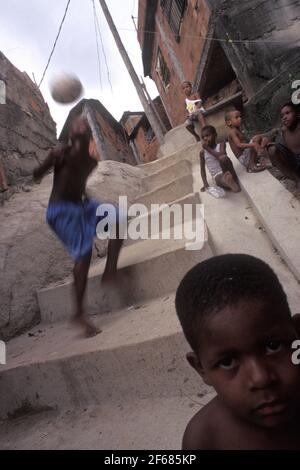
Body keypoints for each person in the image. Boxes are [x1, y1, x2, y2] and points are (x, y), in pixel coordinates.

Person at [175, 254, 300, 450]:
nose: (261, 379)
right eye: (227, 362)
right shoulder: (205, 439)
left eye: (273, 346)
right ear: (201, 368)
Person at [33, 115, 124, 337]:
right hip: (61, 211)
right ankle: (79, 314)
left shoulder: (91, 161)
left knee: (118, 217)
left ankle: (110, 271)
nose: (80, 123)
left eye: (84, 122)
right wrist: (48, 161)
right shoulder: (61, 154)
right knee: (84, 253)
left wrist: (89, 203)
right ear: (71, 134)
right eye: (76, 123)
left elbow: (78, 184)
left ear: (89, 133)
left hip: (81, 205)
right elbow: (36, 176)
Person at [267, 102, 300, 194]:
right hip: (295, 162)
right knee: (272, 149)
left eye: (287, 113)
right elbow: (284, 149)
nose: (284, 117)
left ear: (298, 114)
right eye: (282, 116)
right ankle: (297, 180)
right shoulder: (284, 130)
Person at [200, 125, 240, 193]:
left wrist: (208, 148)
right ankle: (230, 183)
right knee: (220, 179)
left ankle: (233, 180)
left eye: (207, 135)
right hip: (218, 175)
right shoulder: (202, 153)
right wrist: (205, 183)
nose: (205, 138)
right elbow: (202, 169)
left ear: (215, 135)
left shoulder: (221, 145)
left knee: (223, 158)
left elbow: (221, 156)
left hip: (228, 170)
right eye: (203, 137)